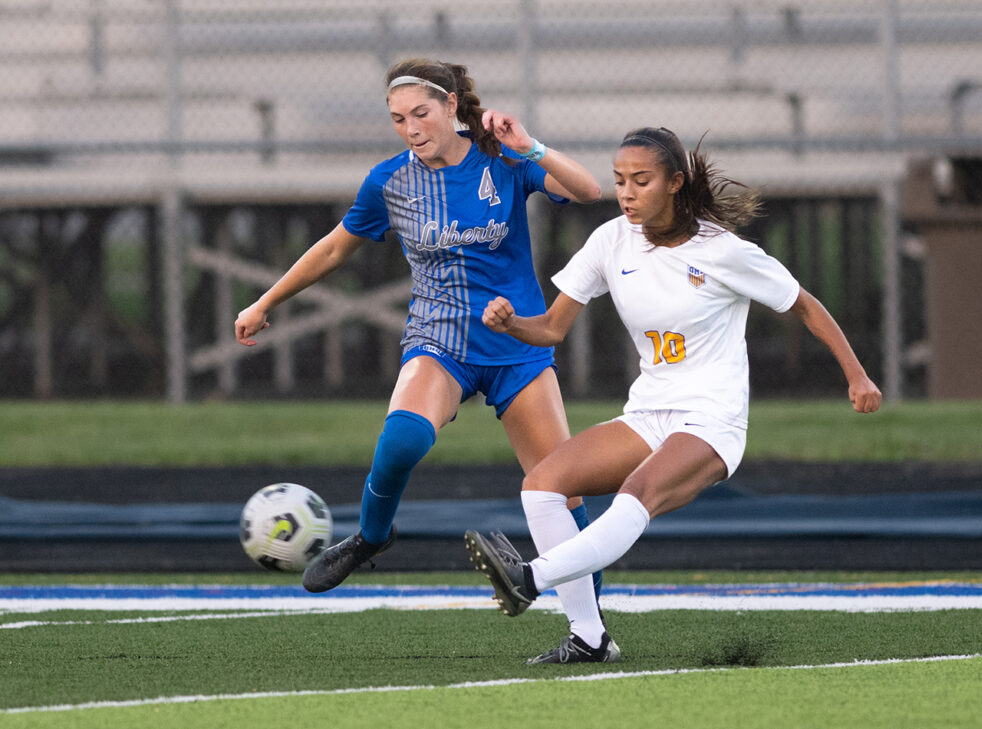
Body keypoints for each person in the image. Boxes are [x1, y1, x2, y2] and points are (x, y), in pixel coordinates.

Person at [466, 126, 882, 664]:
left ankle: (529, 578)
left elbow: (804, 305)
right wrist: (511, 324)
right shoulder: (611, 240)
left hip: (712, 418)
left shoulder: (723, 250)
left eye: (642, 180)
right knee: (542, 485)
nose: (627, 192)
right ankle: (589, 638)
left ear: (675, 183)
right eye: (619, 181)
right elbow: (550, 328)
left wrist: (857, 375)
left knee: (635, 494)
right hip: (649, 411)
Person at [234, 59, 609, 627]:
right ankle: (371, 538)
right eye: (397, 119)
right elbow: (335, 248)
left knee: (564, 494)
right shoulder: (389, 181)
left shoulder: (501, 157)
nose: (410, 128)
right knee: (403, 439)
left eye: (420, 113)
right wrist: (266, 302)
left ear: (452, 106)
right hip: (440, 339)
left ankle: (590, 627)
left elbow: (588, 190)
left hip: (518, 343)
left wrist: (530, 146)